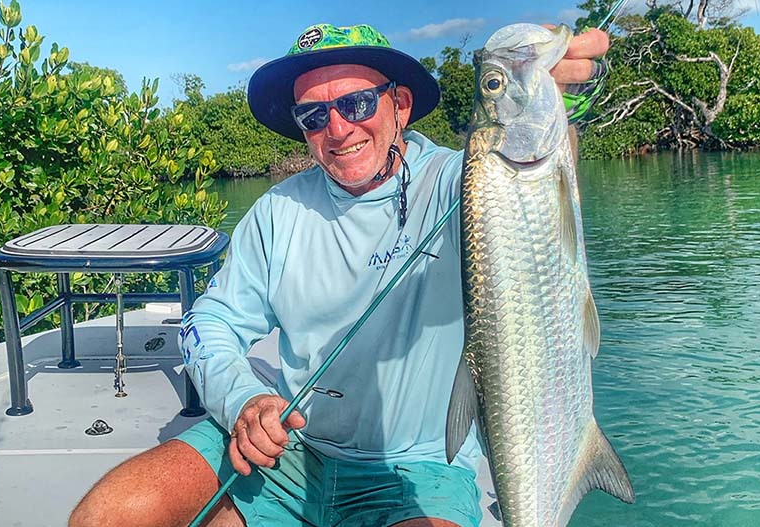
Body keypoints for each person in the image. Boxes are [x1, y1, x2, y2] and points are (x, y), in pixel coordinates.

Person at [69, 22, 609, 527]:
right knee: (107, 513)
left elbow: (534, 169)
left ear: (399, 105)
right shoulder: (276, 212)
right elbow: (207, 322)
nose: (338, 128)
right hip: (290, 451)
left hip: (418, 468)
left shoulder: (463, 179)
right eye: (313, 115)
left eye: (356, 102)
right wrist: (243, 401)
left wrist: (564, 98)